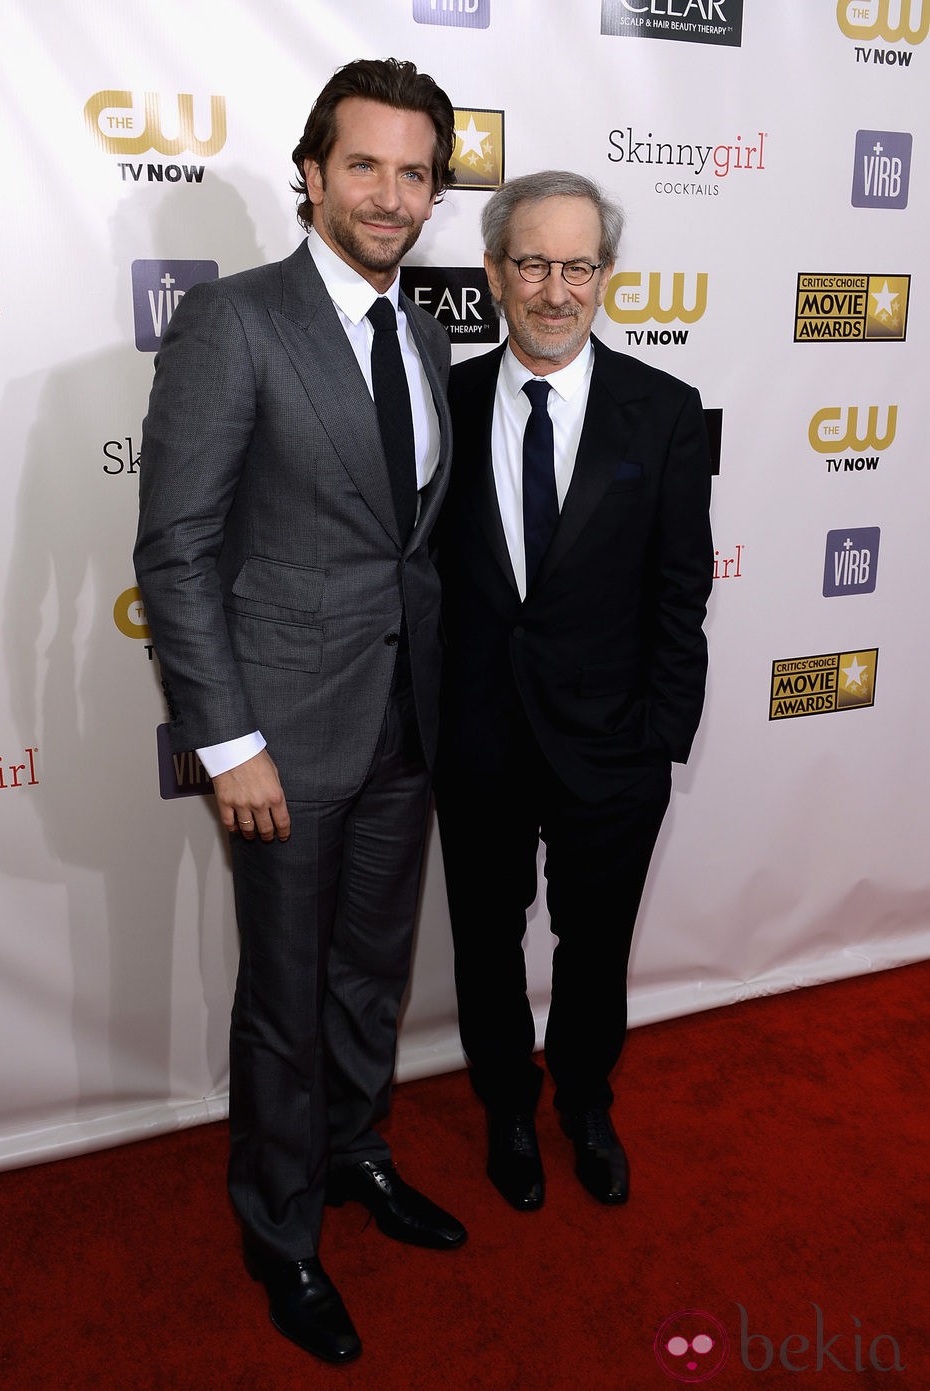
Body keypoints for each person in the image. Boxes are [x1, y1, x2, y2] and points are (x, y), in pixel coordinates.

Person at [134, 58, 464, 1366]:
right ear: (313, 173)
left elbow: (406, 544)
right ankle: (280, 1230)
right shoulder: (238, 324)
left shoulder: (426, 328)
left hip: (403, 724)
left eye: (416, 171)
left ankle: (354, 1155)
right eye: (366, 165)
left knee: (368, 973)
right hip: (277, 735)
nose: (391, 194)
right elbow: (175, 550)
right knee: (282, 993)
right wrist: (230, 740)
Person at [434, 171, 713, 1214]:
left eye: (578, 265)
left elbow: (681, 591)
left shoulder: (665, 411)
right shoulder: (443, 404)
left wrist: (659, 742)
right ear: (497, 273)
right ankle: (506, 1103)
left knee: (595, 947)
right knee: (482, 941)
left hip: (614, 746)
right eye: (534, 263)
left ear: (604, 275)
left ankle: (584, 1102)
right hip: (477, 738)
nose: (556, 290)